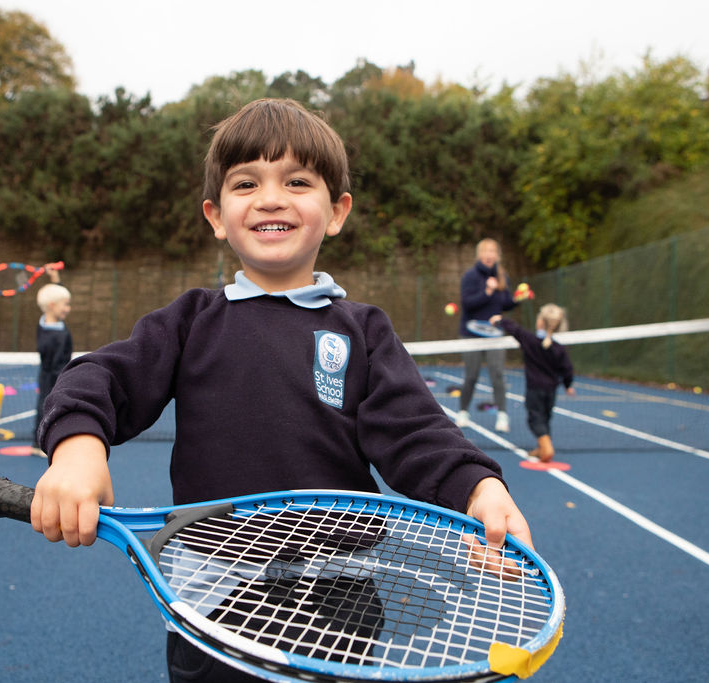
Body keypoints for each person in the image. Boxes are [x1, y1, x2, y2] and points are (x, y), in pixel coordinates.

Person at [28, 98, 534, 683]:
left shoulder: (364, 331)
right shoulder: (191, 321)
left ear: (337, 211)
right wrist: (78, 450)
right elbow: (100, 377)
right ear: (216, 216)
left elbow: (416, 430)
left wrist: (479, 487)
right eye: (246, 183)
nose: (271, 198)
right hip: (213, 600)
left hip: (342, 596)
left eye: (297, 181)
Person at [490, 306, 575, 463]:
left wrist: (499, 320)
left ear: (541, 322)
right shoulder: (558, 348)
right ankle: (542, 448)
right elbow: (567, 368)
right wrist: (568, 385)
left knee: (535, 419)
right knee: (545, 419)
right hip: (551, 391)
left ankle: (546, 447)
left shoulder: (530, 340)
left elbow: (515, 329)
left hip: (535, 389)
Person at [455, 238, 519, 432]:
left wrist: (517, 299)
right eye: (486, 251)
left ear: (497, 255)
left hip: (495, 335)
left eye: (493, 251)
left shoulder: (502, 276)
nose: (489, 255)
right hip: (471, 334)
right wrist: (487, 291)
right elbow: (467, 304)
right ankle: (463, 412)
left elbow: (505, 304)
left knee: (497, 375)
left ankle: (502, 416)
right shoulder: (470, 276)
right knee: (471, 375)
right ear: (479, 255)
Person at [32, 266, 72, 456]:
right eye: (65, 305)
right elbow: (55, 365)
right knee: (47, 407)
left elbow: (57, 298)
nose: (68, 309)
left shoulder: (48, 324)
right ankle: (40, 443)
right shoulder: (53, 336)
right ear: (52, 306)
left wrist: (55, 279)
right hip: (53, 377)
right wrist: (65, 380)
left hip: (55, 374)